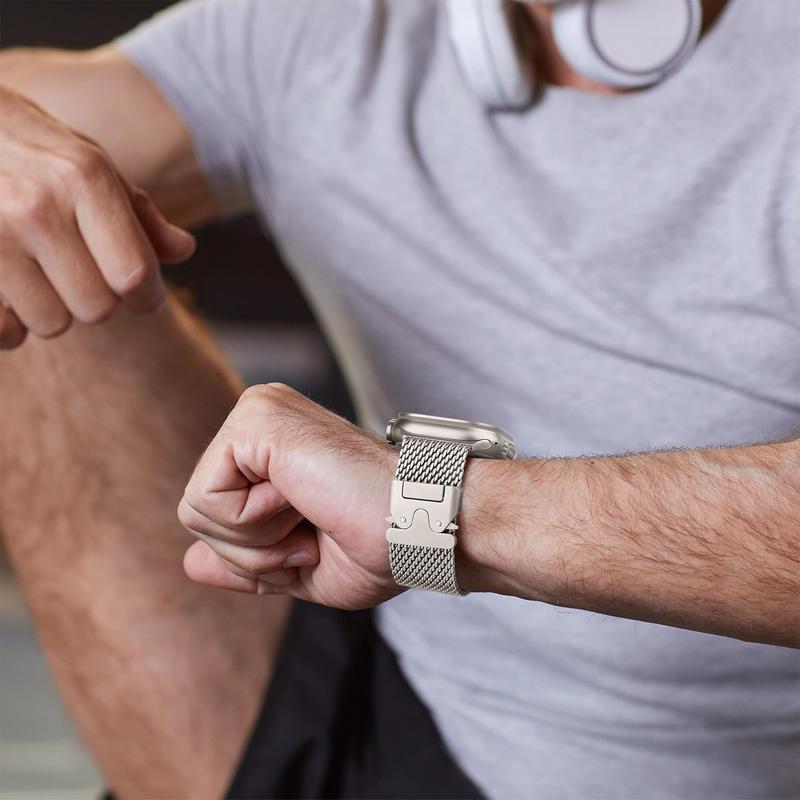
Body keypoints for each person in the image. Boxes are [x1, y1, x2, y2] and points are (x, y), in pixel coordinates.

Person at [0, 1, 797, 798]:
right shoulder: (339, 28)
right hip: (390, 677)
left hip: (692, 775)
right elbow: (39, 142)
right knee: (31, 233)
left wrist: (430, 513)